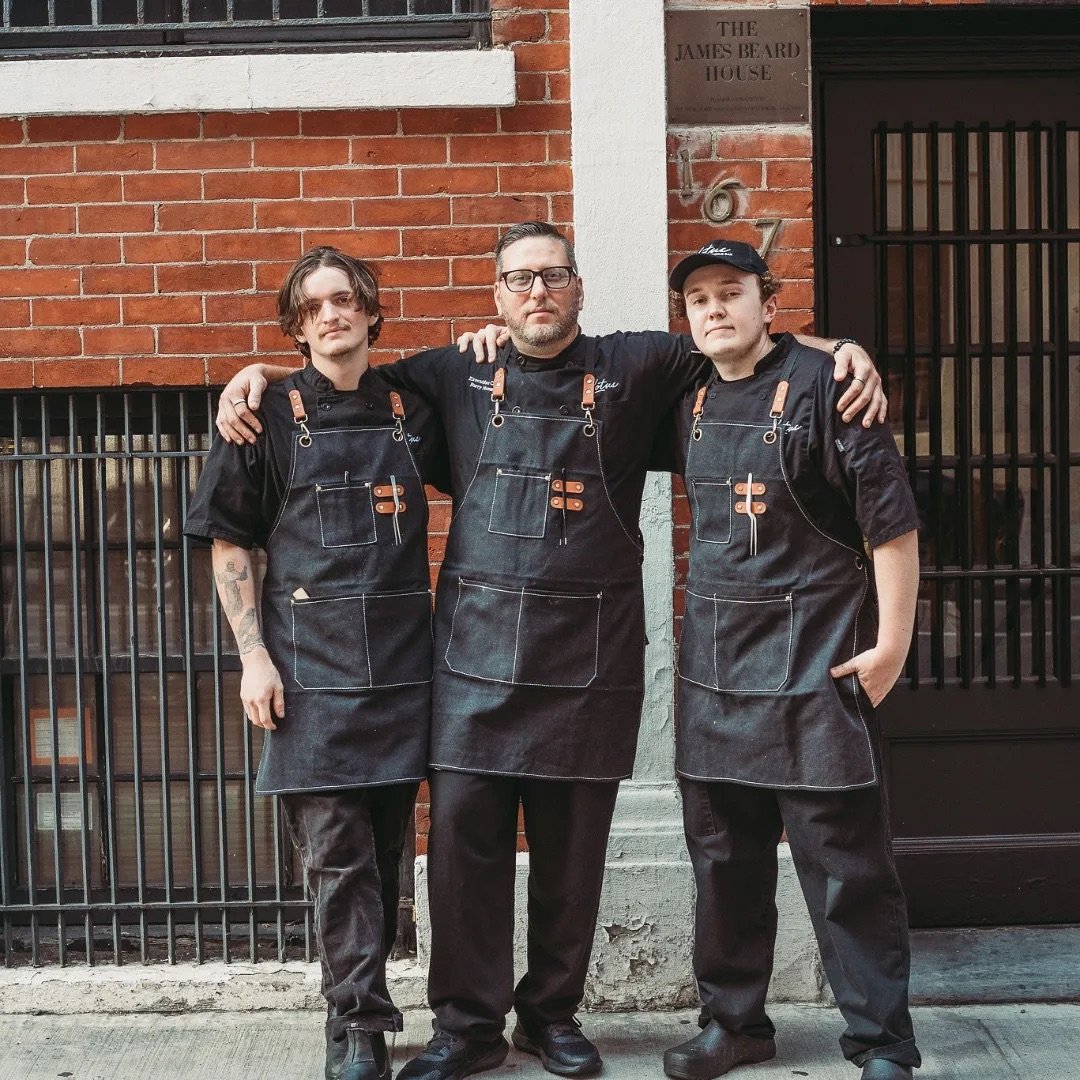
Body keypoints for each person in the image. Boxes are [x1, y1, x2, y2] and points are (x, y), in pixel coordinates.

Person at [214, 222, 885, 1080]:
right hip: (470, 666)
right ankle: (467, 1028)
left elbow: (751, 347)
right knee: (464, 858)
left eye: (553, 276)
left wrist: (844, 351)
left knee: (572, 859)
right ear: (495, 295)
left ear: (579, 287)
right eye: (518, 279)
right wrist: (258, 373)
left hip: (588, 664)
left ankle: (552, 1016)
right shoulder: (450, 373)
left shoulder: (642, 364)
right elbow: (338, 378)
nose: (537, 293)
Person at [659, 241, 921, 1080]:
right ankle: (733, 1024)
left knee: (848, 872)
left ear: (769, 304)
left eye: (730, 292)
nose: (714, 310)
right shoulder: (684, 393)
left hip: (813, 671)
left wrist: (892, 643)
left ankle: (882, 1041)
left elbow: (891, 527)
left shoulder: (831, 389)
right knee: (724, 869)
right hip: (714, 675)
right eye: (698, 299)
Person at [185, 247, 448, 1080]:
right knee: (336, 860)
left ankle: (369, 1004)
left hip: (404, 669)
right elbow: (231, 542)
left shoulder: (415, 408)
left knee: (384, 852)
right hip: (307, 673)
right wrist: (251, 656)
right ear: (296, 327)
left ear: (372, 312)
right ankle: (356, 1028)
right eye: (313, 307)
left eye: (347, 301)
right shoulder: (261, 416)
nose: (333, 315)